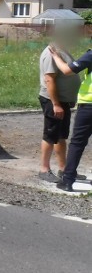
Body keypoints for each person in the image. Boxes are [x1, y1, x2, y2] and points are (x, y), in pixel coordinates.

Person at [38, 31, 82, 183]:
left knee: (61, 135)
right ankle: (44, 169)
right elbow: (49, 80)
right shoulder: (51, 52)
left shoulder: (62, 50)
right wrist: (56, 104)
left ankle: (64, 169)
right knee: (50, 135)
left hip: (63, 101)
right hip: (53, 101)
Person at [49, 44, 92, 191]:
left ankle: (67, 181)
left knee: (77, 143)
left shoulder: (91, 54)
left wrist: (56, 57)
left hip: (89, 105)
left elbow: (67, 70)